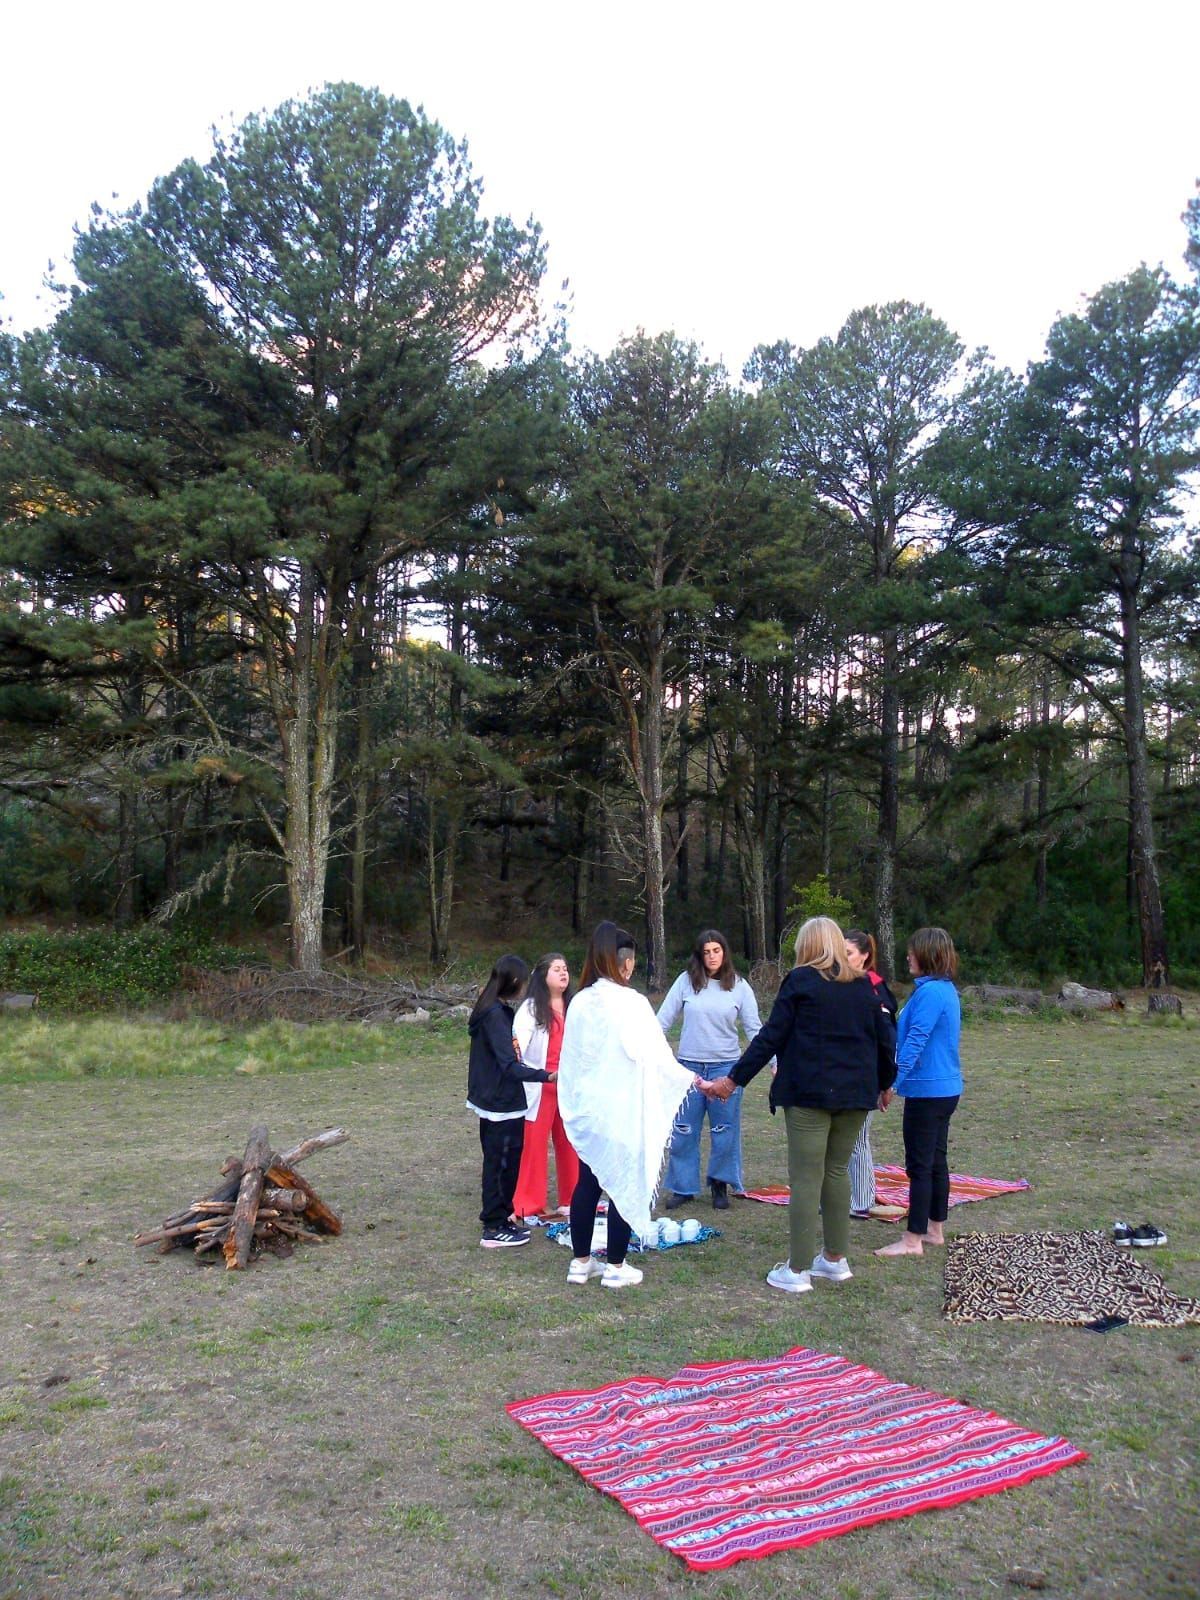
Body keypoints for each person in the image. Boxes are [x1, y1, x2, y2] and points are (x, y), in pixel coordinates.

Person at [705, 916, 895, 1294]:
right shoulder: (864, 986)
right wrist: (886, 1083)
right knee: (837, 1171)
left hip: (810, 1095)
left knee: (807, 1178)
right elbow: (885, 1040)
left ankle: (798, 1269)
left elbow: (770, 1037)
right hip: (855, 1096)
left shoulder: (801, 981)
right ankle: (835, 1260)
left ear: (806, 946)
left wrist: (732, 1080)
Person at [556, 921, 699, 1290]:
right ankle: (616, 1265)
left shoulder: (580, 1002)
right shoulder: (632, 1003)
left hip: (591, 1110)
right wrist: (692, 1080)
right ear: (625, 964)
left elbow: (573, 1061)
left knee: (588, 1182)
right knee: (623, 1181)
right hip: (621, 1109)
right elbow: (654, 1055)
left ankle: (581, 1261)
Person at [657, 928, 763, 1210]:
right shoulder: (685, 982)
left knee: (723, 1129)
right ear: (699, 956)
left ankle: (720, 1183)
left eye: (716, 950)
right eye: (706, 952)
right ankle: (683, 1186)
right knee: (683, 1128)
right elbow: (662, 1021)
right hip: (689, 1068)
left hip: (726, 1068)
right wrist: (650, 1054)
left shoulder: (739, 986)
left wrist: (774, 1063)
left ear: (724, 953)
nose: (712, 956)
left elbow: (755, 1030)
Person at [875, 927, 963, 1260]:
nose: (908, 956)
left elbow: (915, 1041)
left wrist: (892, 1083)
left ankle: (912, 1239)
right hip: (945, 1089)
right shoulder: (944, 990)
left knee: (920, 1166)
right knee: (936, 1161)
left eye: (912, 952)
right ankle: (934, 1229)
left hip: (929, 1092)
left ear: (927, 955)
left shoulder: (930, 994)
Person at [466, 954, 555, 1249]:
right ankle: (493, 1227)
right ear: (514, 981)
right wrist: (546, 1076)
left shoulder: (498, 1011)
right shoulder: (493, 1015)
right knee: (500, 1164)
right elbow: (509, 1064)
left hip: (501, 1099)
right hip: (499, 1103)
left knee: (506, 1163)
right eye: (524, 982)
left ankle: (503, 1219)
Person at [510, 953, 579, 1223]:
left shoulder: (575, 1005)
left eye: (566, 969)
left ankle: (572, 1199)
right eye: (557, 970)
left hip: (569, 1085)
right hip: (540, 1085)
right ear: (543, 976)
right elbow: (519, 1050)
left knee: (571, 1142)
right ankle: (528, 1203)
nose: (564, 974)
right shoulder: (530, 1009)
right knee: (535, 1144)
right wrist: (534, 1075)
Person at [843, 929, 900, 1219]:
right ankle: (841, 1196)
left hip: (867, 1076)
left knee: (857, 1138)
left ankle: (863, 1200)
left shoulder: (876, 990)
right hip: (844, 1075)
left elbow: (887, 1040)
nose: (842, 959)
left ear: (865, 956)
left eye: (849, 953)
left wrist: (886, 1083)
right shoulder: (843, 985)